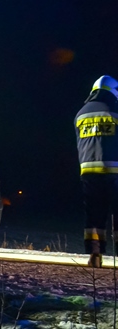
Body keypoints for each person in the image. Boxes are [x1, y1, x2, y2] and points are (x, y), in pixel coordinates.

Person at [75, 75, 118, 268]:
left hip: (89, 172)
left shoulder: (81, 114)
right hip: (115, 171)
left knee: (93, 216)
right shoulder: (115, 110)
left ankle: (94, 255)